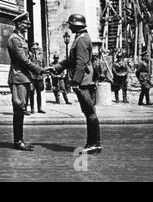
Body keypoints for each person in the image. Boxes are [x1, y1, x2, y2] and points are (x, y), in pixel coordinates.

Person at [51, 14, 101, 154]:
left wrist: (75, 82)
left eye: (71, 24)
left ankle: (94, 144)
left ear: (76, 25)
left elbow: (80, 63)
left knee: (90, 112)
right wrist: (57, 67)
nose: (69, 27)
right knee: (89, 112)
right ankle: (93, 143)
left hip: (84, 80)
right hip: (85, 78)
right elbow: (71, 60)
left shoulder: (81, 40)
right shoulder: (81, 38)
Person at [7, 12, 49, 151]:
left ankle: (20, 139)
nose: (28, 26)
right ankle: (18, 141)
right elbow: (23, 60)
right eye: (26, 24)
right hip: (18, 77)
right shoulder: (15, 40)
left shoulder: (21, 39)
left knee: (21, 108)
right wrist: (40, 70)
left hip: (24, 77)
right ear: (19, 24)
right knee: (19, 108)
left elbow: (28, 59)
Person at [27, 42, 46, 114]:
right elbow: (27, 66)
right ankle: (32, 108)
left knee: (39, 93)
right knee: (31, 93)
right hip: (32, 77)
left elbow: (44, 66)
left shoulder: (40, 57)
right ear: (31, 49)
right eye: (33, 48)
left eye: (36, 48)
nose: (35, 50)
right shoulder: (29, 56)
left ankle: (39, 108)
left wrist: (43, 75)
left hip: (39, 77)